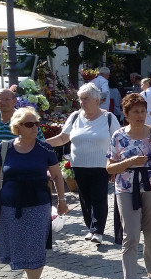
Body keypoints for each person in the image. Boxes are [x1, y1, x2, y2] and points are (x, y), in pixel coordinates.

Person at [0, 107, 68, 279]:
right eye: (29, 124)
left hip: (38, 205)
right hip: (10, 207)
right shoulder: (5, 148)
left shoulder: (45, 149)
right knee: (19, 247)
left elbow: (58, 176)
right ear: (18, 127)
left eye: (36, 123)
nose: (35, 128)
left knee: (34, 248)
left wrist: (62, 200)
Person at [106, 94, 151, 279]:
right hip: (126, 187)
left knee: (150, 232)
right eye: (135, 112)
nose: (140, 115)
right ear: (127, 114)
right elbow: (109, 167)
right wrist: (129, 161)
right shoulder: (118, 136)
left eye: (143, 111)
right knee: (130, 237)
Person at [47, 83, 120, 244]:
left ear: (96, 100)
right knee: (85, 199)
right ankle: (91, 228)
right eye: (80, 99)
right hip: (79, 165)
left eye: (86, 99)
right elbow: (62, 138)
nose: (82, 102)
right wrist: (41, 143)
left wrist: (115, 162)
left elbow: (118, 140)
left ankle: (97, 230)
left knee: (98, 197)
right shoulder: (74, 117)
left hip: (102, 165)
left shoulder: (108, 118)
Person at [0, 89, 45, 256]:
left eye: (7, 99)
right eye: (0, 99)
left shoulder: (24, 120)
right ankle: (0, 245)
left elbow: (40, 141)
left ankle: (19, 241)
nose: (3, 102)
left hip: (19, 169)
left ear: (14, 101)